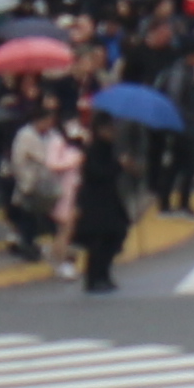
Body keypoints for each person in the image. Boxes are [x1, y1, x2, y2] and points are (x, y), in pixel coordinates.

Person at [74, 125, 137, 293]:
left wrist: (123, 165)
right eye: (110, 129)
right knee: (98, 241)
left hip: (109, 200)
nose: (113, 133)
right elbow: (97, 173)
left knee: (115, 235)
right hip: (95, 202)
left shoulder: (109, 149)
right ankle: (94, 278)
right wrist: (118, 165)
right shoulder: (93, 150)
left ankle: (104, 273)